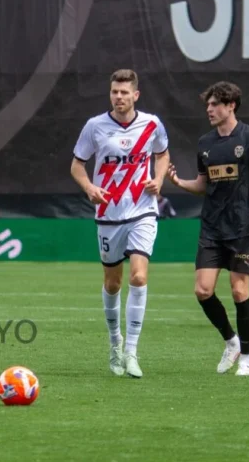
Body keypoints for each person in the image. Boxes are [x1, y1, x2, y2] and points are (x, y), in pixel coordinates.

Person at [167, 81, 249, 376]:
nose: (209, 109)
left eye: (214, 104)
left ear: (231, 105)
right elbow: (202, 185)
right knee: (202, 290)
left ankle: (246, 359)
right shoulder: (205, 143)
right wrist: (179, 182)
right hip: (212, 227)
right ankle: (231, 341)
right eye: (207, 105)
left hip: (243, 226)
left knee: (239, 290)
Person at [70, 69, 170, 379]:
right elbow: (77, 165)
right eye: (115, 91)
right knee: (113, 283)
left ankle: (132, 352)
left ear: (135, 95)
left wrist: (158, 179)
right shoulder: (95, 126)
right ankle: (115, 343)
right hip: (108, 214)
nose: (119, 97)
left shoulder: (151, 124)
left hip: (142, 211)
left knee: (138, 276)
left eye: (125, 92)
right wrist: (89, 188)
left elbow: (163, 154)